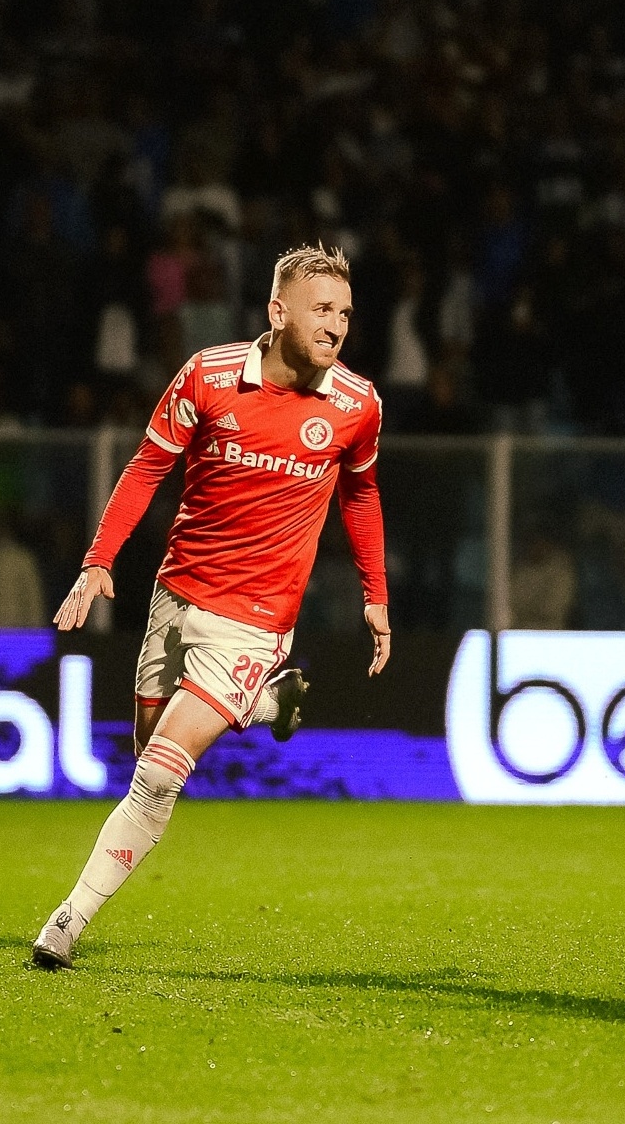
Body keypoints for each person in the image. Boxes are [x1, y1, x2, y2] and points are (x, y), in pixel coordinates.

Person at [32, 245, 390, 968]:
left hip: (256, 619)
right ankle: (267, 706)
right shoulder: (208, 374)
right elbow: (146, 466)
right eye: (321, 309)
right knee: (146, 747)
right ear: (276, 311)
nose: (336, 326)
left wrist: (375, 594)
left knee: (158, 772)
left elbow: (360, 492)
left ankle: (67, 922)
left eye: (345, 314)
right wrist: (98, 561)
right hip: (176, 593)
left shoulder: (356, 404)